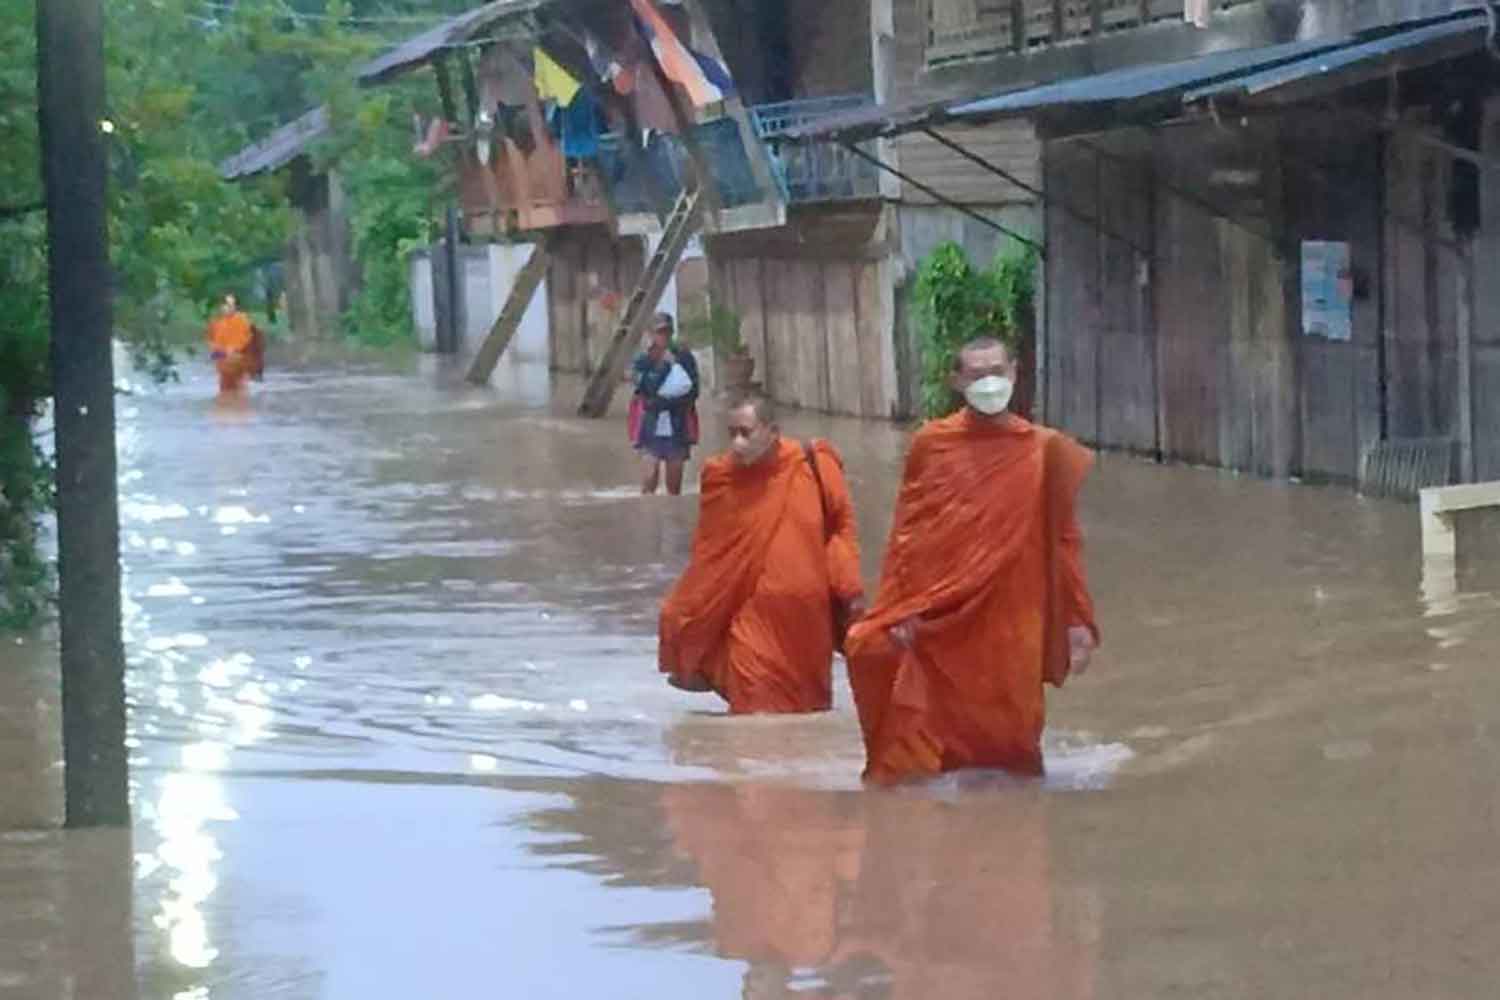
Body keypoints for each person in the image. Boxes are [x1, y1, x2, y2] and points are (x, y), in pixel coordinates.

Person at [844, 337, 1099, 784]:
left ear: (1015, 373)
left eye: (996, 371)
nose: (989, 383)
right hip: (945, 612)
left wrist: (1077, 620)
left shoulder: (1045, 450)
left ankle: (1016, 825)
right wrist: (899, 608)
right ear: (957, 381)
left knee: (1013, 738)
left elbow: (1064, 539)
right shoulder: (933, 444)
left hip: (1015, 613)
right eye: (977, 375)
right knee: (890, 673)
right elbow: (910, 534)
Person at [658, 394, 866, 714]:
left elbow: (842, 529)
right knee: (755, 719)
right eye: (732, 434)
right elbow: (711, 558)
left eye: (746, 432)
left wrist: (849, 588)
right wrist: (684, 616)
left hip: (808, 627)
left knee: (807, 717)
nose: (738, 444)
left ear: (773, 431)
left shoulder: (813, 465)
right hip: (751, 620)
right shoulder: (721, 477)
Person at [632, 313, 699, 496]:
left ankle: (672, 518)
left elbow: (693, 390)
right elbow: (644, 388)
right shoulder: (643, 360)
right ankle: (648, 518)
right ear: (651, 334)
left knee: (674, 484)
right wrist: (664, 367)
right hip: (651, 422)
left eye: (668, 332)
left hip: (677, 422)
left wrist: (670, 402)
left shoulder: (684, 357)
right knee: (649, 478)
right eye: (660, 332)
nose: (664, 337)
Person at [205, 293, 256, 396]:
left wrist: (235, 350)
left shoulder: (243, 321)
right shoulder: (216, 323)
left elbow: (247, 340)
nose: (227, 307)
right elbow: (210, 341)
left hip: (238, 362)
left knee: (240, 391)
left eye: (230, 305)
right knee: (224, 391)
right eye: (225, 304)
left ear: (236, 307)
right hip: (223, 362)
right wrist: (216, 351)